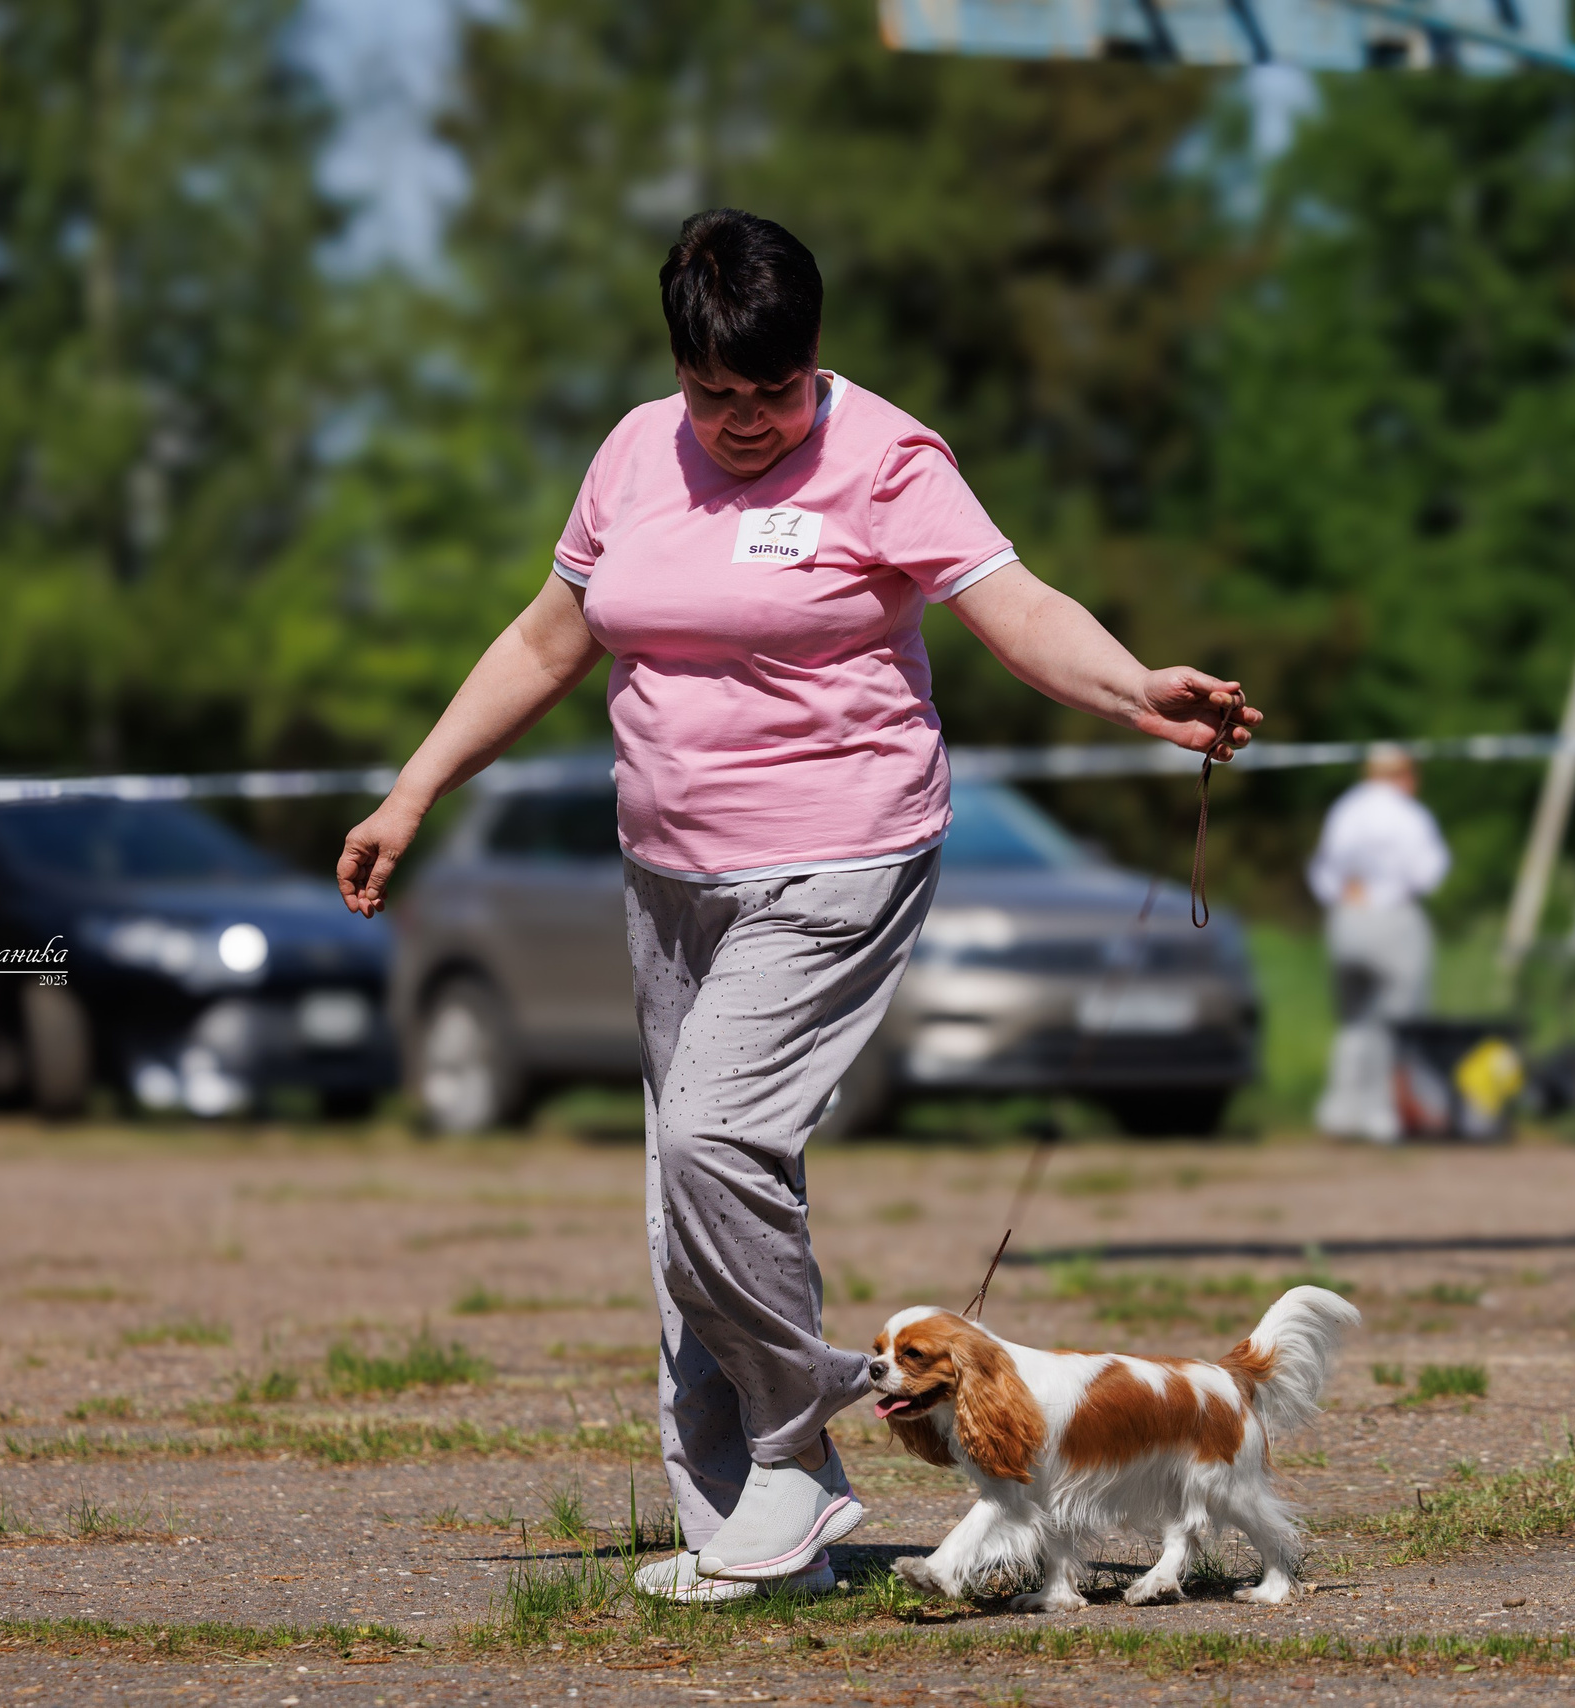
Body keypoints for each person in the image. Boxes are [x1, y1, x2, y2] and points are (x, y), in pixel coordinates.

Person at [333, 210, 1258, 1601]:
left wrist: (1138, 689)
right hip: (669, 877)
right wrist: (412, 793)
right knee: (688, 1196)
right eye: (721, 393)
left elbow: (1015, 606)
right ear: (680, 365)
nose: (752, 419)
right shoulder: (635, 455)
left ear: (814, 358)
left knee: (714, 1143)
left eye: (779, 389)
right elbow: (547, 638)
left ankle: (801, 1442)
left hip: (840, 860)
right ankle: (744, 1536)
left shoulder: (888, 457)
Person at [1307, 744, 1449, 1142]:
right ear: (1404, 774)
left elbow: (1323, 872)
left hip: (1346, 918)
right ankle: (1383, 1111)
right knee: (1398, 1021)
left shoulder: (1345, 810)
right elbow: (1428, 875)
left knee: (1352, 1020)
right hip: (1394, 919)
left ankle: (1340, 1112)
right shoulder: (1410, 816)